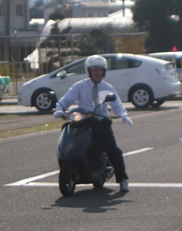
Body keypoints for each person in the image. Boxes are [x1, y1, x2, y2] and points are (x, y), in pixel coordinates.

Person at [53, 55, 133, 192]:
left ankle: (122, 179)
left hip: (100, 121)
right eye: (95, 70)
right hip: (82, 120)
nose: (98, 73)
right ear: (89, 71)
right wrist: (59, 109)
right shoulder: (80, 86)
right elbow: (66, 99)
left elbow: (117, 105)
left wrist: (123, 114)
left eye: (101, 70)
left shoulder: (107, 87)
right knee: (67, 130)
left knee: (113, 149)